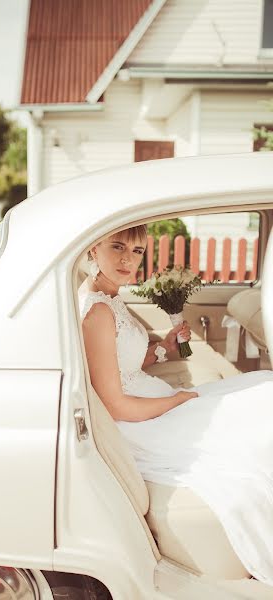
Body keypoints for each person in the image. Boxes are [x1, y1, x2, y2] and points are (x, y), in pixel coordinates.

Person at [78, 224, 273, 586]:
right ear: (93, 250)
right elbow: (116, 404)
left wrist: (165, 347)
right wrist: (178, 399)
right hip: (139, 421)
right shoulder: (97, 313)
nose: (127, 259)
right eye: (117, 247)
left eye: (136, 252)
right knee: (260, 414)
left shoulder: (109, 297)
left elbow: (124, 365)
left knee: (263, 389)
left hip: (149, 400)